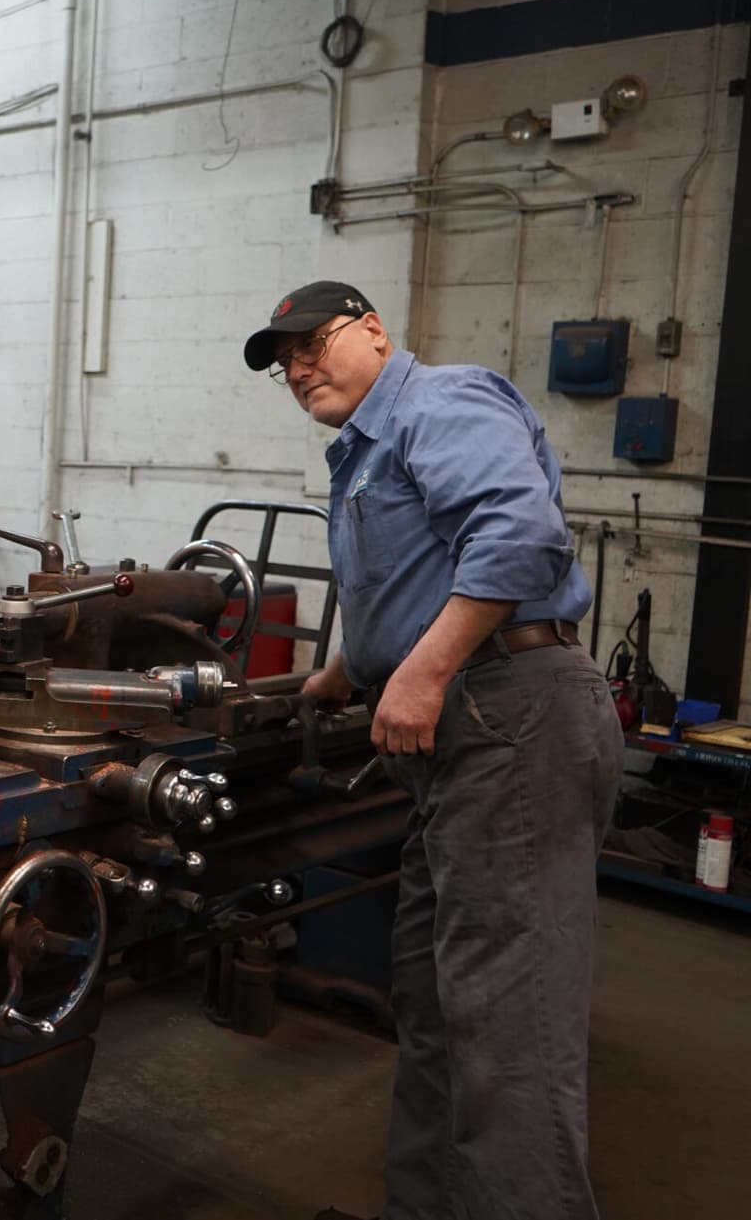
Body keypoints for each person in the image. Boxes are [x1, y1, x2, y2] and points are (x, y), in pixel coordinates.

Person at [240, 281, 622, 1220]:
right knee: (439, 1008)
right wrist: (349, 668)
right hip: (459, 739)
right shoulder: (367, 450)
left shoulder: (439, 402)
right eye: (284, 362)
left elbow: (518, 534)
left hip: (509, 718)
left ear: (374, 331)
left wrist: (425, 669)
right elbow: (421, 574)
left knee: (509, 1025)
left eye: (312, 344)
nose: (299, 368)